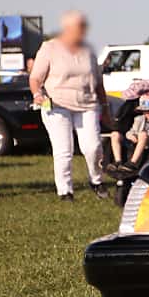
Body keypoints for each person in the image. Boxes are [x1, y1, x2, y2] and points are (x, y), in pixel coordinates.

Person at [29, 10, 109, 200]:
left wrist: (105, 107)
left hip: (87, 104)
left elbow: (97, 81)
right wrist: (37, 94)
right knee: (63, 150)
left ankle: (96, 180)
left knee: (93, 146)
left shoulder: (88, 50)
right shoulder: (49, 48)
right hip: (56, 104)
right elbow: (35, 78)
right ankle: (65, 191)